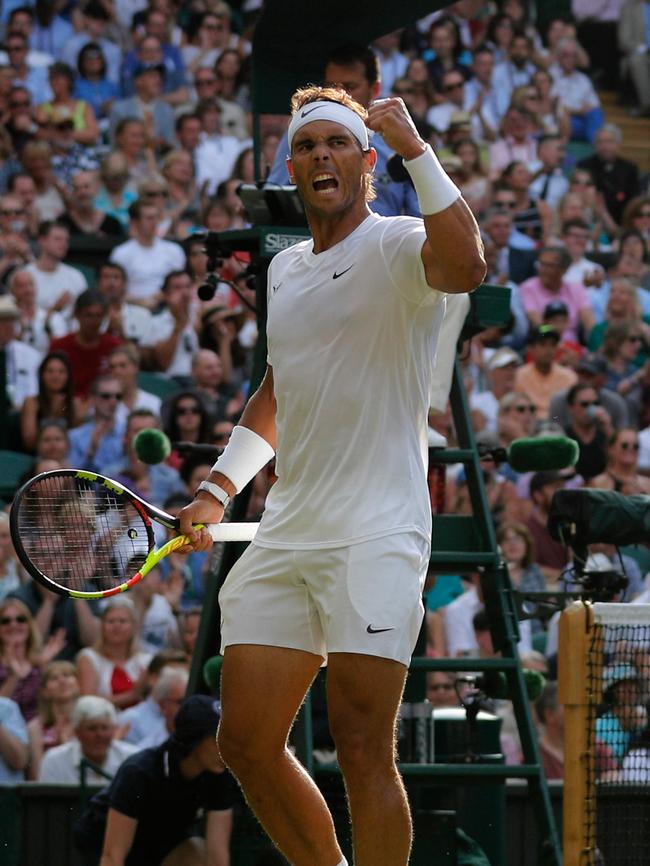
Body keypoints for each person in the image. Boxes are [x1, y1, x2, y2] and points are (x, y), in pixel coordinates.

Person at [176, 79, 484, 866]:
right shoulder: (284, 271)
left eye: (337, 142)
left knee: (359, 746)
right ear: (292, 165)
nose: (321, 154)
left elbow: (466, 265)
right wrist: (216, 488)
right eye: (308, 145)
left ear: (366, 161)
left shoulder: (397, 242)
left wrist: (419, 151)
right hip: (289, 530)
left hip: (379, 529)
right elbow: (279, 388)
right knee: (243, 738)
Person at [74, 694, 235, 866]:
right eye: (217, 740)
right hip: (102, 846)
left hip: (159, 846)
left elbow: (218, 855)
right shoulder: (140, 772)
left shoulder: (219, 774)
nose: (225, 750)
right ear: (193, 738)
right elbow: (112, 856)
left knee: (199, 854)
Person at [39, 694, 137, 784]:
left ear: (113, 730)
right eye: (92, 728)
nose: (99, 735)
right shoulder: (55, 761)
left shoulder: (131, 758)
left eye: (105, 728)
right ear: (77, 732)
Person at [76, 598, 151, 711]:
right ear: (102, 626)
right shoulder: (88, 657)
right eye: (110, 621)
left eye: (122, 621)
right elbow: (88, 702)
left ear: (133, 627)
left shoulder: (146, 660)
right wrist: (131, 696)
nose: (117, 626)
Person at [26, 659, 79, 779]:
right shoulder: (35, 727)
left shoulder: (88, 721)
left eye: (67, 675)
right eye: (54, 678)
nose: (62, 681)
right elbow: (36, 774)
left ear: (78, 684)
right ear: (45, 691)